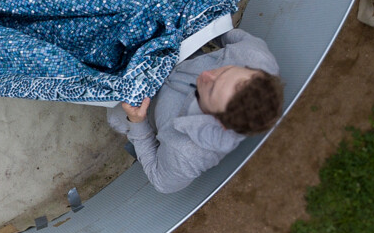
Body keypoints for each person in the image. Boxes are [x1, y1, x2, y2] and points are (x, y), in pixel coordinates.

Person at [106, 30, 283, 194]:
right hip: (177, 54)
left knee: (115, 116)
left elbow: (160, 181)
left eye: (212, 90)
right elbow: (224, 33)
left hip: (144, 106)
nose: (206, 75)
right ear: (250, 70)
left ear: (217, 122)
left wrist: (138, 124)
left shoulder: (188, 154)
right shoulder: (255, 57)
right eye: (225, 69)